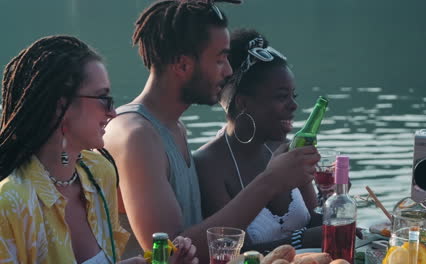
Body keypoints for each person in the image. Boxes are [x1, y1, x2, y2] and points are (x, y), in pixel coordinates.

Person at [103, 0, 320, 262]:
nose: (228, 71)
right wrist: (270, 182)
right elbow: (170, 253)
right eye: (219, 60)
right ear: (183, 66)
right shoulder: (135, 135)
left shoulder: (174, 128)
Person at [0, 35, 196, 264]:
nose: (112, 112)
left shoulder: (99, 174)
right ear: (61, 106)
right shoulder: (11, 203)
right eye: (103, 98)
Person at [194, 29, 323, 252]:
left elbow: (314, 219)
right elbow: (234, 252)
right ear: (243, 103)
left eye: (294, 96)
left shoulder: (285, 150)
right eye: (282, 97)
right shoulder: (208, 164)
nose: (294, 106)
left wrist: (336, 200)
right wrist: (302, 240)